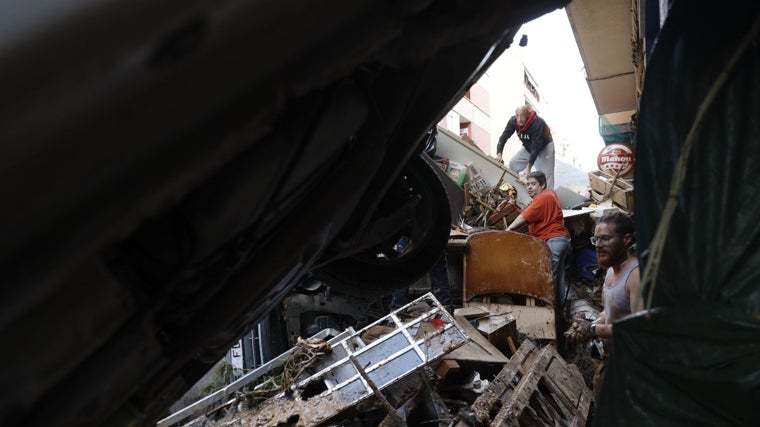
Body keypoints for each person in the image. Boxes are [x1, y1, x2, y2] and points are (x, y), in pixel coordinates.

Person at [564, 211, 642, 399]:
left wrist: (592, 329)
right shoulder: (611, 271)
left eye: (606, 239)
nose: (599, 246)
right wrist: (590, 322)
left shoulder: (636, 276)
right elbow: (611, 311)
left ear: (626, 239)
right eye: (596, 239)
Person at [506, 171, 571, 307]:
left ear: (542, 185)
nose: (529, 187)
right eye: (528, 184)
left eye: (533, 184)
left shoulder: (544, 197)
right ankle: (557, 309)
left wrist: (508, 230)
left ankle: (547, 309)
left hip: (553, 239)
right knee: (557, 277)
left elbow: (524, 217)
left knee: (548, 276)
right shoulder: (548, 195)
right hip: (559, 240)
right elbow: (529, 212)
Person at [495, 105, 555, 189]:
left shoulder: (537, 123)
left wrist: (528, 167)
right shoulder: (513, 121)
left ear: (527, 114)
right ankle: (514, 190)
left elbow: (535, 147)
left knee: (546, 176)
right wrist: (499, 154)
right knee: (513, 163)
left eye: (522, 116)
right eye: (517, 116)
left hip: (544, 147)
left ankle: (549, 198)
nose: (519, 119)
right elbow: (504, 137)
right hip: (528, 147)